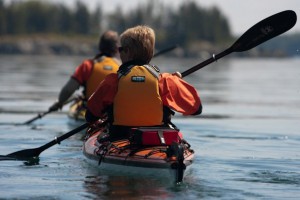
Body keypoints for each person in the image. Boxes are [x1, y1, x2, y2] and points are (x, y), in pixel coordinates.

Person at [85, 25, 202, 140]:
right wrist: (177, 82)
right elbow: (196, 109)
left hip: (119, 138)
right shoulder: (165, 80)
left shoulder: (112, 81)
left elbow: (90, 116)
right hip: (157, 141)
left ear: (128, 52)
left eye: (121, 49)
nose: (119, 53)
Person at [49, 30, 121, 112]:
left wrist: (59, 103)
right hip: (112, 114)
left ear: (100, 46)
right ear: (116, 48)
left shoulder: (87, 66)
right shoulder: (121, 67)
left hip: (89, 112)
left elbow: (68, 89)